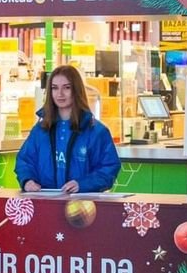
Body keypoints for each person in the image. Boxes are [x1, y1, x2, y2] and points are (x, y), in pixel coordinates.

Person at [15, 65, 121, 194]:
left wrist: (83, 184)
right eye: (55, 88)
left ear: (76, 90)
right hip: (45, 205)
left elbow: (109, 167)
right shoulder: (40, 130)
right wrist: (27, 181)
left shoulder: (96, 131)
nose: (60, 94)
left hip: (83, 205)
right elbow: (24, 161)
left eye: (67, 87)